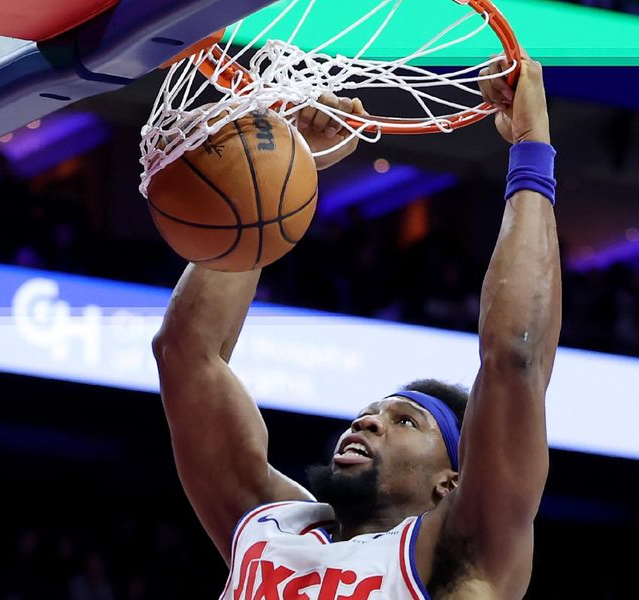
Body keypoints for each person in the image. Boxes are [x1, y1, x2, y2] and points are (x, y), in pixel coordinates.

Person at [152, 51, 561, 599]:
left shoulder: (459, 555)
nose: (366, 424)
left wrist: (531, 148)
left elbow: (516, 356)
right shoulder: (271, 526)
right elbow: (186, 355)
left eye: (406, 423)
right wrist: (283, 175)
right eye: (371, 413)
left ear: (452, 482)